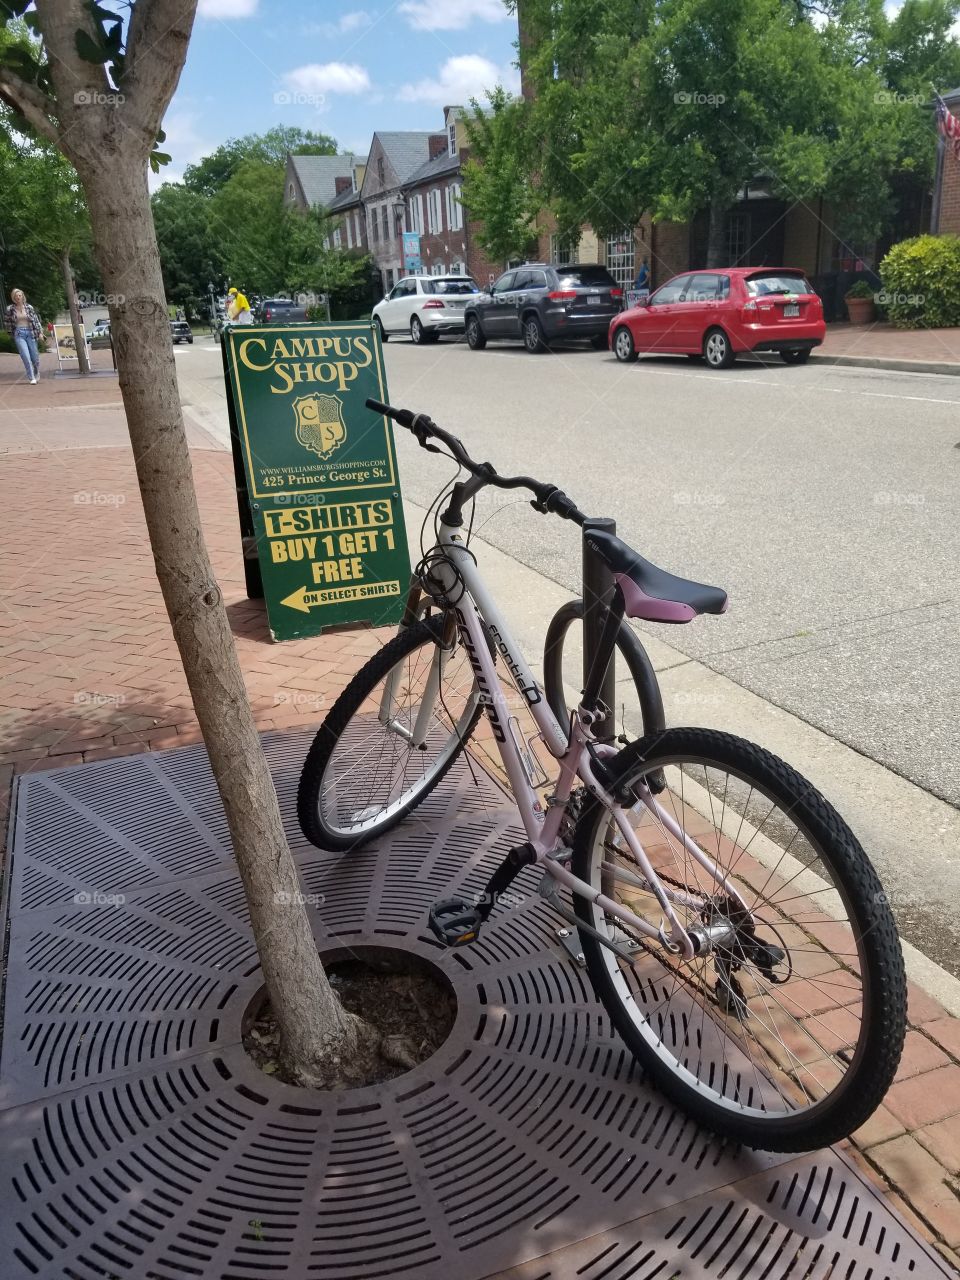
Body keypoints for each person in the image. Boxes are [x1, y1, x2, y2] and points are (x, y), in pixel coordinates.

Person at [5, 288, 43, 383]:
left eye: (19, 295)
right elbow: (7, 322)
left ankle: (36, 371)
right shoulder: (10, 309)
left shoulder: (29, 307)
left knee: (35, 357)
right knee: (25, 356)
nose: (18, 297)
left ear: (22, 296)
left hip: (31, 333)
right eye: (16, 296)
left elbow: (36, 321)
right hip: (19, 334)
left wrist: (40, 333)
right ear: (13, 298)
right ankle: (32, 378)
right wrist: (11, 333)